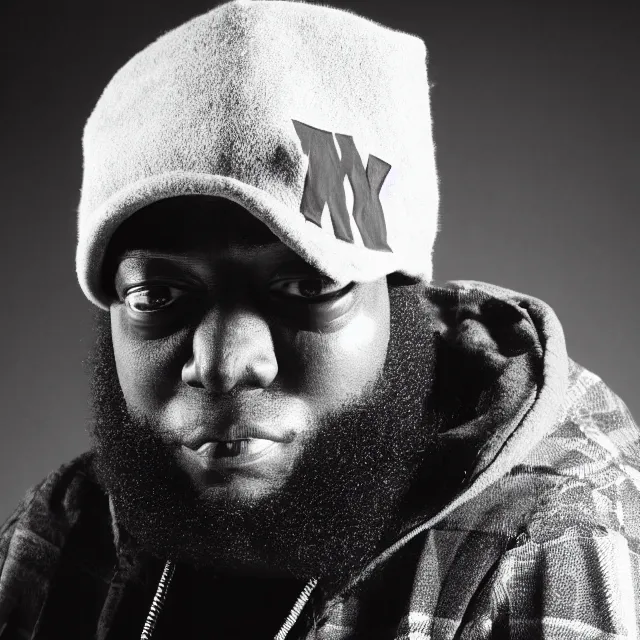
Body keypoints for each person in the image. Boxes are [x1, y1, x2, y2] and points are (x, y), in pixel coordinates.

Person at [1, 1, 639, 638]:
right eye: (157, 297)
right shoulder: (66, 525)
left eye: (309, 285)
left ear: (399, 296)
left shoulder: (548, 548)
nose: (225, 364)